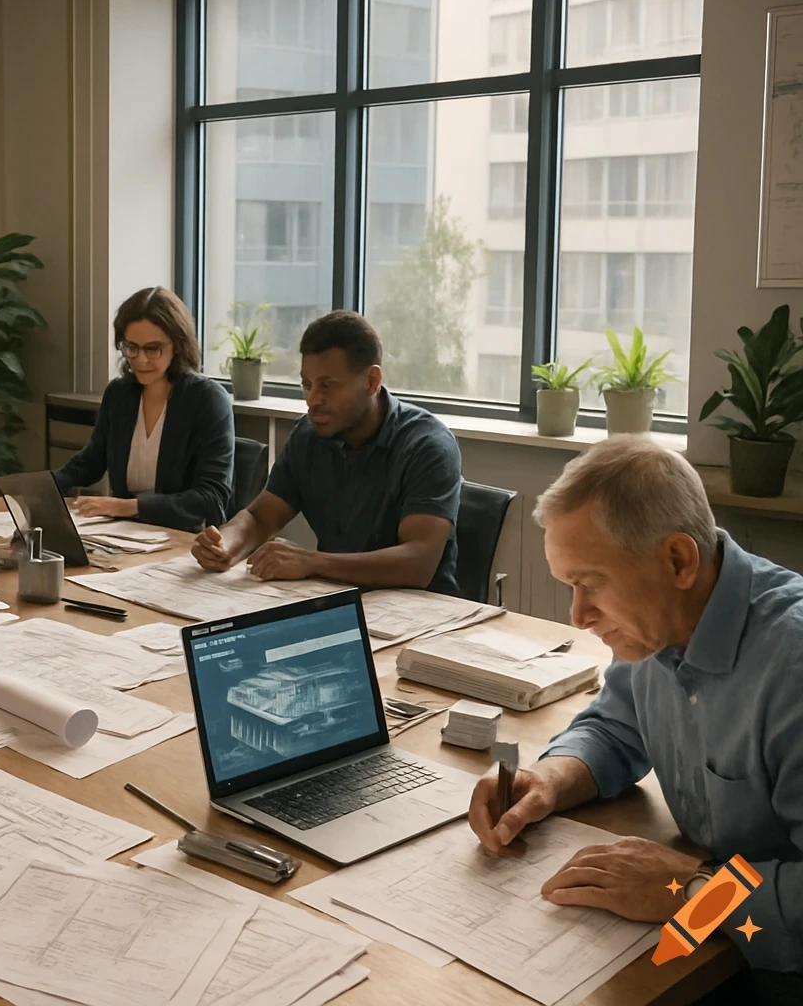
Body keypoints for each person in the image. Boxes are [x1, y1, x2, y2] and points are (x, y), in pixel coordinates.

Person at [466, 437, 801, 1004]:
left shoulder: (791, 670)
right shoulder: (658, 626)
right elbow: (614, 727)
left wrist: (690, 890)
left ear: (678, 560)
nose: (577, 615)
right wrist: (548, 782)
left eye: (591, 583)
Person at [192, 310, 462, 594]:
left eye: (327, 386)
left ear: (371, 381)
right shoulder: (309, 434)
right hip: (337, 597)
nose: (312, 399)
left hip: (423, 613)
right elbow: (261, 518)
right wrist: (225, 544)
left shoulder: (428, 445)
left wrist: (311, 562)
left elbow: (418, 563)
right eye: (306, 384)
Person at [51, 286, 234, 531]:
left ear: (178, 345)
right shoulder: (119, 394)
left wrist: (127, 507)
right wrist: (41, 489)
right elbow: (91, 461)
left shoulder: (207, 400)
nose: (140, 360)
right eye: (131, 347)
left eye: (152, 349)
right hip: (124, 534)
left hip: (183, 539)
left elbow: (211, 499)